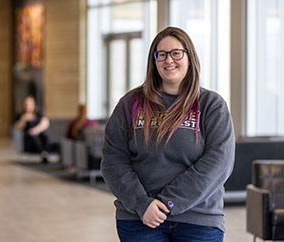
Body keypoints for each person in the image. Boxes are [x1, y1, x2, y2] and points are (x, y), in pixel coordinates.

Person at [101, 26, 235, 242]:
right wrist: (141, 204)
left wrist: (168, 203)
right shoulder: (130, 104)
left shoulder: (212, 105)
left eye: (176, 53)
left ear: (189, 57)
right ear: (154, 61)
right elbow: (113, 161)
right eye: (161, 54)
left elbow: (219, 163)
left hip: (198, 219)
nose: (168, 60)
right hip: (140, 219)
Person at [14, 95, 50, 163]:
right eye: (26, 104)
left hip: (38, 133)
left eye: (29, 104)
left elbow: (45, 122)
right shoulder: (20, 115)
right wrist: (23, 119)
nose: (27, 106)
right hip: (28, 137)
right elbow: (17, 127)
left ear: (33, 105)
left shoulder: (38, 114)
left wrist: (36, 130)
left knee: (46, 134)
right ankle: (43, 153)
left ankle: (45, 153)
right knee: (33, 136)